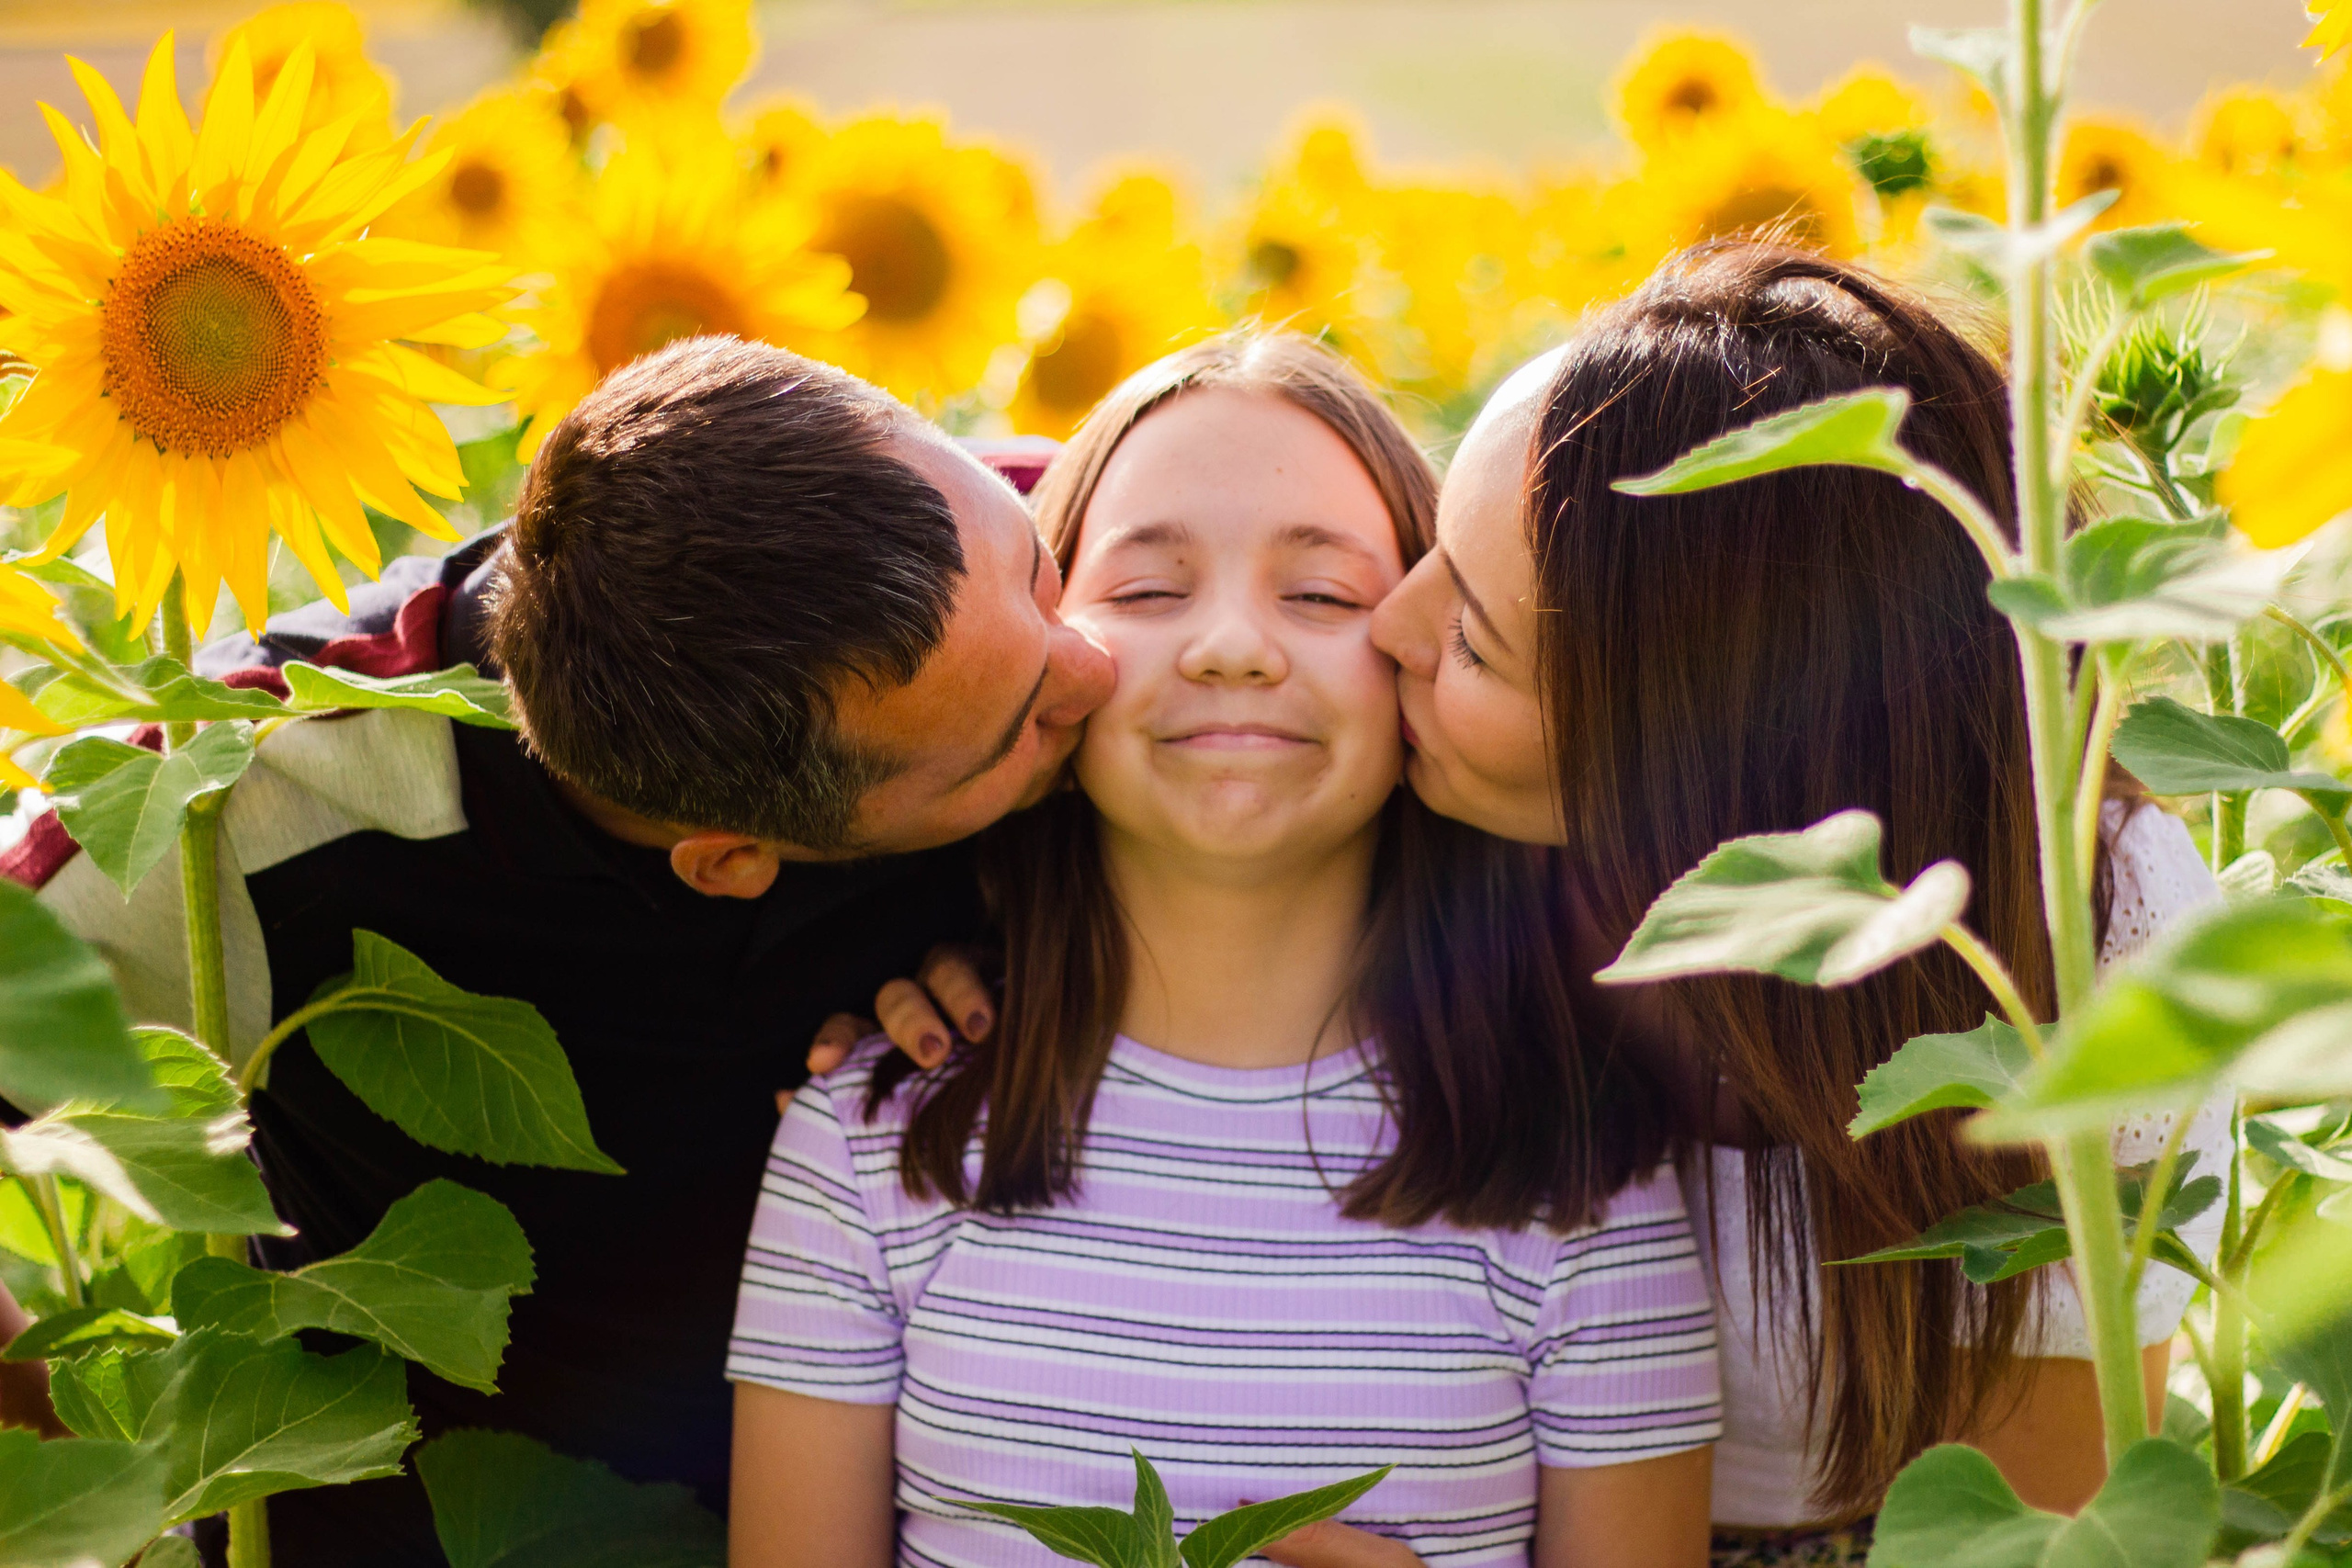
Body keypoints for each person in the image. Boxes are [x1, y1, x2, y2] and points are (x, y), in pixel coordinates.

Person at [868, 244, 2230, 1566]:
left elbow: (2051, 1520)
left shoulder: (2092, 935)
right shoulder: (1443, 819)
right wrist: (959, 942)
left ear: (1677, 762)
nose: (1385, 634)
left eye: (1467, 634)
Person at [3, 336, 1111, 1566]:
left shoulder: (1102, 522)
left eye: (1044, 567)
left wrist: (1070, 946)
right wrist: (87, 1492)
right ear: (731, 857)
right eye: (1025, 730)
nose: (1103, 665)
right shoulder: (249, 805)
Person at [729, 333, 1723, 1568]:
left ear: (1424, 644)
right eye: (1147, 592)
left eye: (1323, 596)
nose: (1233, 645)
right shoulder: (868, 1146)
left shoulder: (1585, 1179)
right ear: (1048, 658)